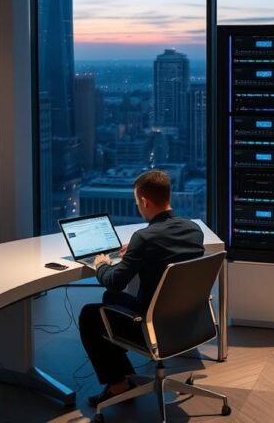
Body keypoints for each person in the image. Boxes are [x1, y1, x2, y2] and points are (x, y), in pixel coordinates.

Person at [77, 169, 204, 408]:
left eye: (137, 203)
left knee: (89, 314)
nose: (138, 207)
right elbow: (165, 252)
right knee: (110, 298)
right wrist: (134, 254)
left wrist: (102, 264)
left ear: (144, 202)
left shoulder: (144, 238)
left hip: (152, 324)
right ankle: (122, 375)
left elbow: (115, 280)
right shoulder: (193, 230)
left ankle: (118, 387)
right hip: (188, 321)